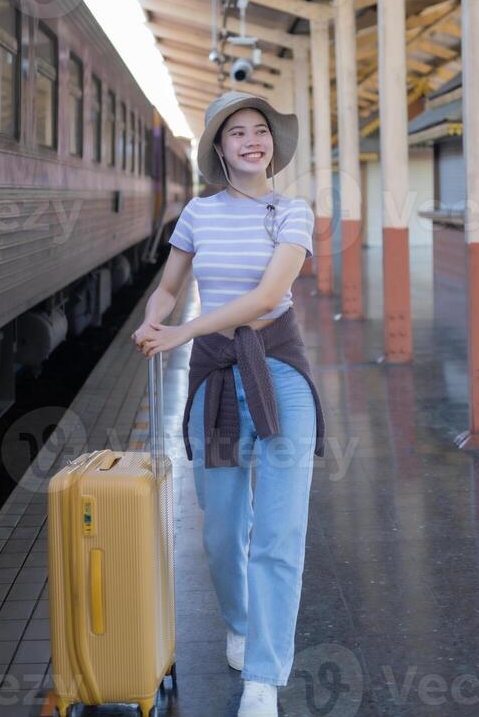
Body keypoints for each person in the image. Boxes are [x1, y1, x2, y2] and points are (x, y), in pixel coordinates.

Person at [132, 89, 326, 717]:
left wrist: (183, 330)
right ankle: (241, 623)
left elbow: (271, 295)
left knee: (278, 532)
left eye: (260, 130)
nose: (250, 139)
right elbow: (169, 287)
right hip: (216, 379)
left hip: (279, 375)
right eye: (236, 132)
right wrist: (153, 320)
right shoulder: (197, 214)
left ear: (273, 143)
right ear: (219, 147)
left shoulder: (292, 213)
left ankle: (264, 678)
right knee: (219, 535)